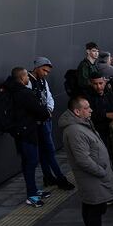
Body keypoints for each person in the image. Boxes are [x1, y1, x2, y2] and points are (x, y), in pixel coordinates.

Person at [59, 96, 113, 226]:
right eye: (87, 108)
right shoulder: (75, 130)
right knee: (94, 207)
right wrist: (101, 171)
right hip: (92, 176)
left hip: (94, 176)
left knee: (93, 206)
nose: (91, 110)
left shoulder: (82, 124)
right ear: (77, 111)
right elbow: (83, 159)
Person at [5, 67, 51, 207]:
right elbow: (41, 111)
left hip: (19, 132)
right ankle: (31, 195)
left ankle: (33, 190)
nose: (28, 79)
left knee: (28, 162)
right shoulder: (25, 93)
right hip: (27, 132)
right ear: (22, 77)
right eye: (26, 77)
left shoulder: (11, 91)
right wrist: (47, 112)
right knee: (31, 162)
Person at [27, 57, 75, 190]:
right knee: (49, 150)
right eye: (44, 70)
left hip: (45, 120)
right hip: (37, 122)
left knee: (45, 150)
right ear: (36, 67)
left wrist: (49, 110)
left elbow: (49, 97)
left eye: (47, 71)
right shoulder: (28, 81)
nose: (45, 73)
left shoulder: (42, 81)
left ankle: (48, 176)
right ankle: (60, 178)